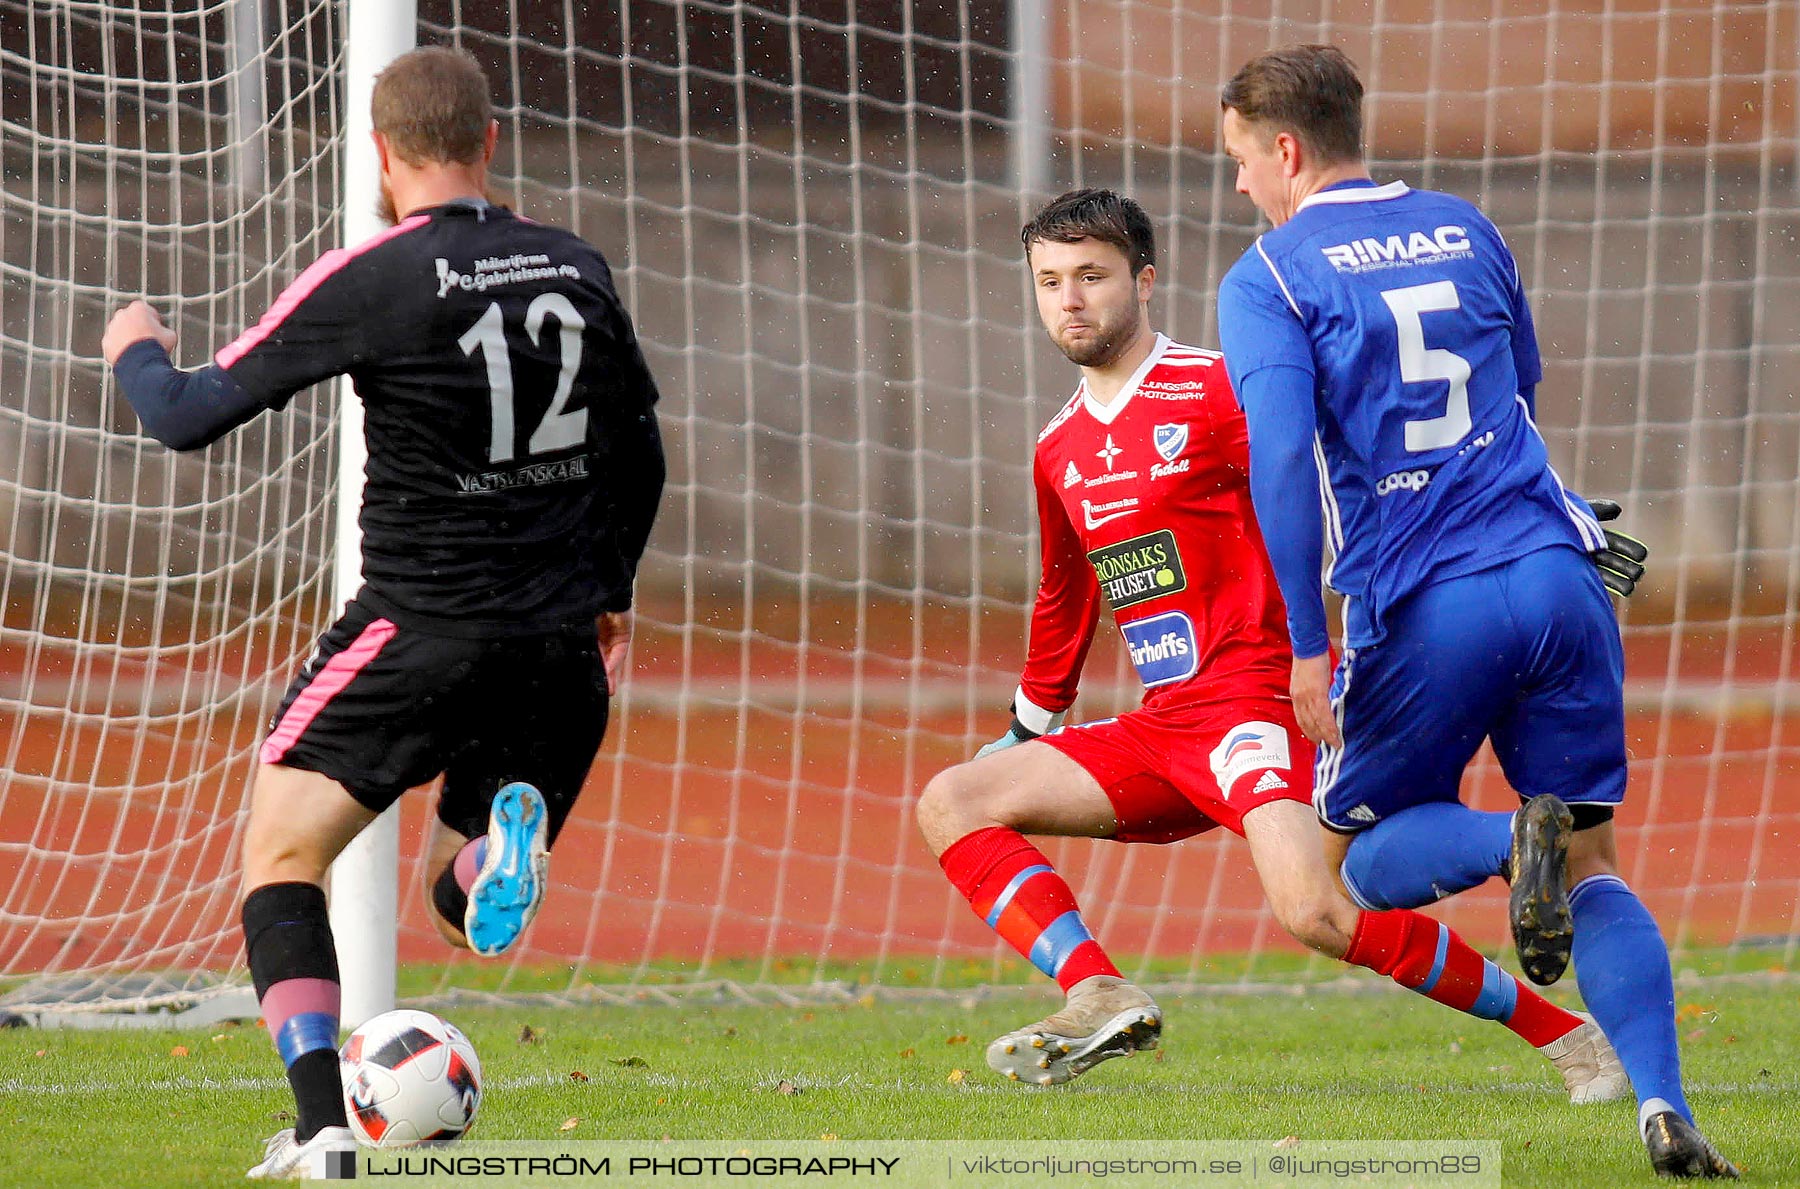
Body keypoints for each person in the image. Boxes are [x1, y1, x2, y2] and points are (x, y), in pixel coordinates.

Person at [916, 188, 1625, 1105]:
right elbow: (1064, 598)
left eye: (1092, 276)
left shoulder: (1216, 389)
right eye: (1049, 281)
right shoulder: (1059, 448)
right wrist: (1022, 730)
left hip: (1257, 705)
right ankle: (1096, 988)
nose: (1070, 300)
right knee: (954, 799)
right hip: (1163, 726)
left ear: (1144, 279)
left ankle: (1573, 1038)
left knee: (1319, 912)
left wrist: (1526, 515)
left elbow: (1348, 463)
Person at [101, 46, 665, 1179]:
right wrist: (611, 589)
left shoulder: (377, 274)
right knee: (455, 905)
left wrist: (135, 347)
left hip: (418, 633)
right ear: (490, 142)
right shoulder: (575, 264)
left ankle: (319, 1129)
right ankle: (489, 858)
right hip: (560, 645)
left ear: (381, 151)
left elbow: (185, 417)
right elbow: (640, 450)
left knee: (279, 853)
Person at [1215, 45, 1735, 1179]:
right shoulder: (1470, 227)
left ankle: (1509, 841)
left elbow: (1281, 469)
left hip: (1428, 601)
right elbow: (1524, 394)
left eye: (1243, 163)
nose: (1243, 187)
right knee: (1593, 861)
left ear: (1288, 151)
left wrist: (1310, 643)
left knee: (1352, 863)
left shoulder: (1270, 276)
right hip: (1558, 572)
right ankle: (1661, 1102)